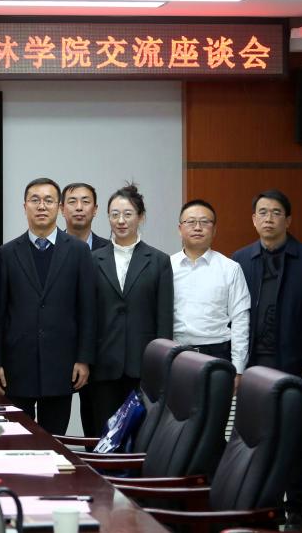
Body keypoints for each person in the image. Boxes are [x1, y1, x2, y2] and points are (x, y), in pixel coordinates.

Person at [232, 189, 302, 529]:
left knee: (295, 438)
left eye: (276, 212)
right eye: (262, 212)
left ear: (288, 220)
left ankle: (297, 508)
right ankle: (264, 505)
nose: (268, 218)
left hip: (293, 363)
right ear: (253, 219)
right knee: (258, 436)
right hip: (254, 365)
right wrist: (237, 365)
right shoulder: (240, 259)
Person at [0, 177, 95, 435]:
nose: (41, 206)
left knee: (55, 440)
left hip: (62, 365)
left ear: (58, 207)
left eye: (48, 200)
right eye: (35, 200)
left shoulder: (79, 251)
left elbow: (87, 310)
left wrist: (83, 359)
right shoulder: (7, 253)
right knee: (17, 440)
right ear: (24, 206)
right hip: (17, 366)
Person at [84, 183, 173, 436]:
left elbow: (164, 318)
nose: (121, 221)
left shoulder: (159, 261)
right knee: (104, 435)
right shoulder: (93, 259)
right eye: (115, 214)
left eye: (128, 214)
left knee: (141, 436)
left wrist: (161, 365)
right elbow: (87, 315)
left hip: (143, 366)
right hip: (103, 365)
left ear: (140, 217)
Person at [170, 199, 250, 384]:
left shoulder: (230, 269)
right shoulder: (166, 267)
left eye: (204, 222)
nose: (197, 227)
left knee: (216, 404)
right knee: (177, 404)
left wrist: (238, 368)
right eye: (191, 222)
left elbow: (240, 320)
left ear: (214, 230)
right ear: (180, 229)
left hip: (217, 355)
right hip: (176, 355)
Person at [61, 182, 110, 250]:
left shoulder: (110, 249)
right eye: (72, 202)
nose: (79, 207)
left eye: (85, 201)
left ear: (95, 210)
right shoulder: (51, 247)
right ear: (62, 209)